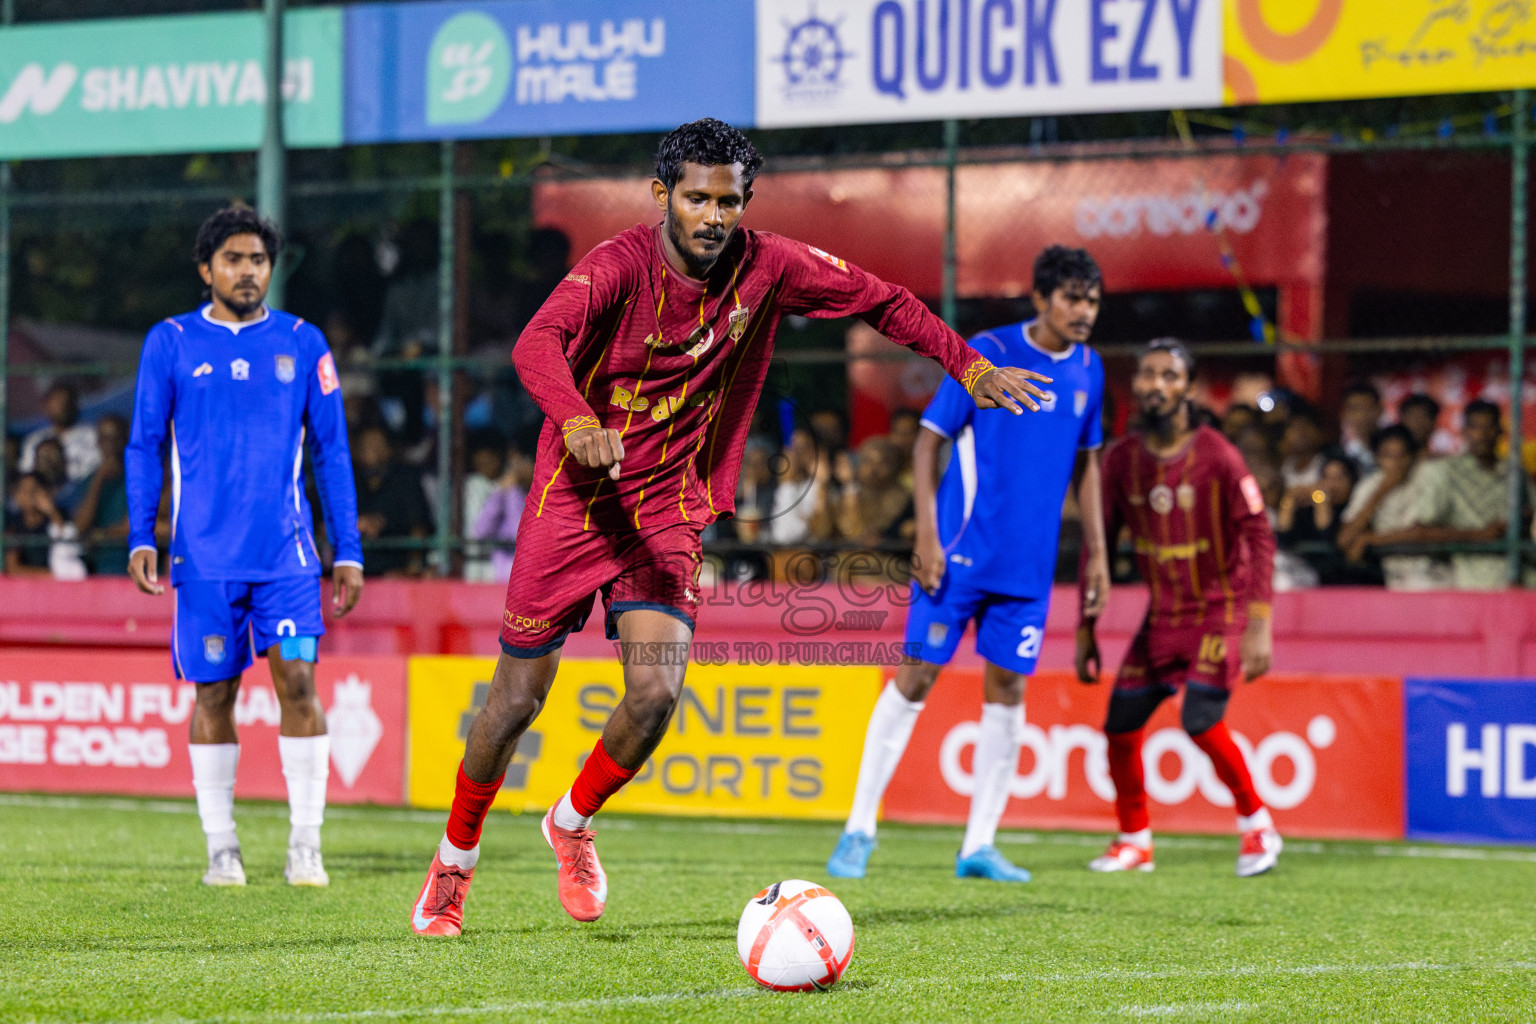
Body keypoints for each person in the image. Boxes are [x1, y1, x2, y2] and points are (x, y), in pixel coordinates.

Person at [409, 118, 1049, 937]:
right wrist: (576, 420)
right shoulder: (617, 266)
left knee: (655, 695)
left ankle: (571, 821)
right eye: (697, 199)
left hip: (667, 509)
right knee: (514, 703)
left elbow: (882, 300)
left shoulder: (769, 265)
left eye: (729, 201)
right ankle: (454, 863)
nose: (714, 216)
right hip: (572, 504)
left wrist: (969, 363)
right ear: (662, 195)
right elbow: (538, 344)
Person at [827, 245, 1109, 883]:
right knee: (915, 678)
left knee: (1008, 691)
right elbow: (928, 442)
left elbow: (1089, 465)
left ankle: (978, 845)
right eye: (1072, 298)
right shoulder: (990, 352)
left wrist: (1097, 555)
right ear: (1040, 298)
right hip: (956, 560)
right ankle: (859, 829)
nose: (1084, 311)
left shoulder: (1089, 369)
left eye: (1092, 300)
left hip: (1028, 573)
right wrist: (927, 536)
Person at [125, 205, 364, 888]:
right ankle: (222, 847)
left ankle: (305, 844)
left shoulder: (303, 342)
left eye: (258, 259)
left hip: (287, 557)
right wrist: (142, 534)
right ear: (206, 269)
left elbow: (332, 452)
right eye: (232, 259)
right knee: (214, 695)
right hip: (203, 559)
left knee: (299, 683)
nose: (247, 270)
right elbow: (143, 444)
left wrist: (347, 549)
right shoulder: (170, 341)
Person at [1076, 339, 1281, 878]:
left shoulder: (1218, 454)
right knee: (1120, 726)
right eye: (1147, 374)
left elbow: (1260, 534)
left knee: (1200, 719)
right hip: (1162, 616)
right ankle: (1134, 841)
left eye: (1169, 375)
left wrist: (1259, 624)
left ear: (1189, 388)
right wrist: (1085, 626)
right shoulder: (1122, 460)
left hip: (1220, 609)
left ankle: (1257, 823)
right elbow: (1098, 546)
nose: (1156, 385)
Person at [1366, 401, 1534, 590]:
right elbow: (1421, 529)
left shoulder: (1515, 473)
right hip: (1468, 576)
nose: (1483, 435)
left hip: (1522, 572)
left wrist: (1522, 521)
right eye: (1476, 427)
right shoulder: (1443, 471)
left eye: (1490, 427)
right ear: (1464, 431)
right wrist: (1479, 536)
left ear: (1500, 432)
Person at [1337, 425, 1443, 590]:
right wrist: (1382, 491)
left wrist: (1371, 539)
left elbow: (1422, 533)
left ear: (1412, 457)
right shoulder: (1369, 485)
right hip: (1394, 579)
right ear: (1377, 457)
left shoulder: (1427, 478)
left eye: (1402, 455)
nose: (1396, 463)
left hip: (1434, 577)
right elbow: (1345, 539)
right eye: (1388, 456)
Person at [352, 426, 432, 577]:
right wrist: (355, 524)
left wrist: (413, 567)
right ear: (356, 451)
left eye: (377, 445)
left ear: (389, 449)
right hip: (353, 567)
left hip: (394, 569)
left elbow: (419, 526)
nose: (372, 451)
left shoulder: (405, 480)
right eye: (366, 445)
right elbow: (323, 526)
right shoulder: (347, 481)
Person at [71, 412, 131, 575]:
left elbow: (132, 527)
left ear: (125, 439)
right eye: (105, 439)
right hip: (97, 568)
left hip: (130, 564)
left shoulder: (138, 479)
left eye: (116, 438)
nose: (111, 445)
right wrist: (98, 480)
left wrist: (101, 534)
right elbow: (79, 527)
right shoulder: (88, 481)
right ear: (98, 442)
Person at [18, 383, 100, 483]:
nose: (62, 406)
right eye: (57, 402)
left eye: (66, 401)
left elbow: (95, 467)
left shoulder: (92, 435)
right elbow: (26, 471)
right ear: (46, 406)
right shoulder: (35, 440)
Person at [1338, 382, 1382, 475]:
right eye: (1354, 409)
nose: (1361, 415)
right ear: (1344, 413)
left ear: (1380, 410)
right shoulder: (1340, 449)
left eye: (1367, 408)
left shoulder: (1392, 444)